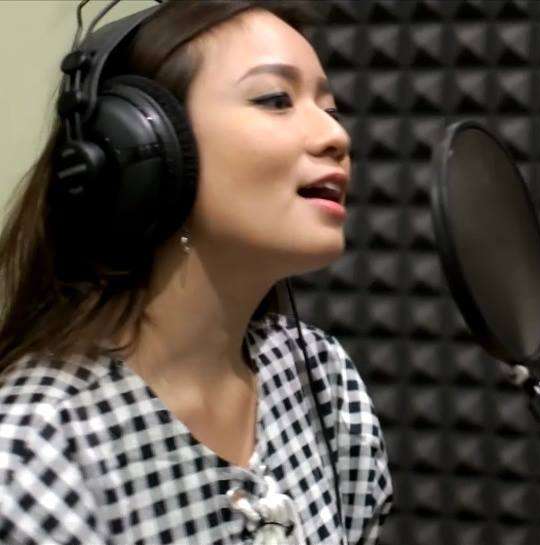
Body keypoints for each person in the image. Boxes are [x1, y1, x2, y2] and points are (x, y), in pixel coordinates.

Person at [0, 1, 392, 544]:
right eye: (276, 99)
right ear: (144, 145)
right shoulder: (36, 452)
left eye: (330, 109)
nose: (335, 136)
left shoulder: (322, 379)